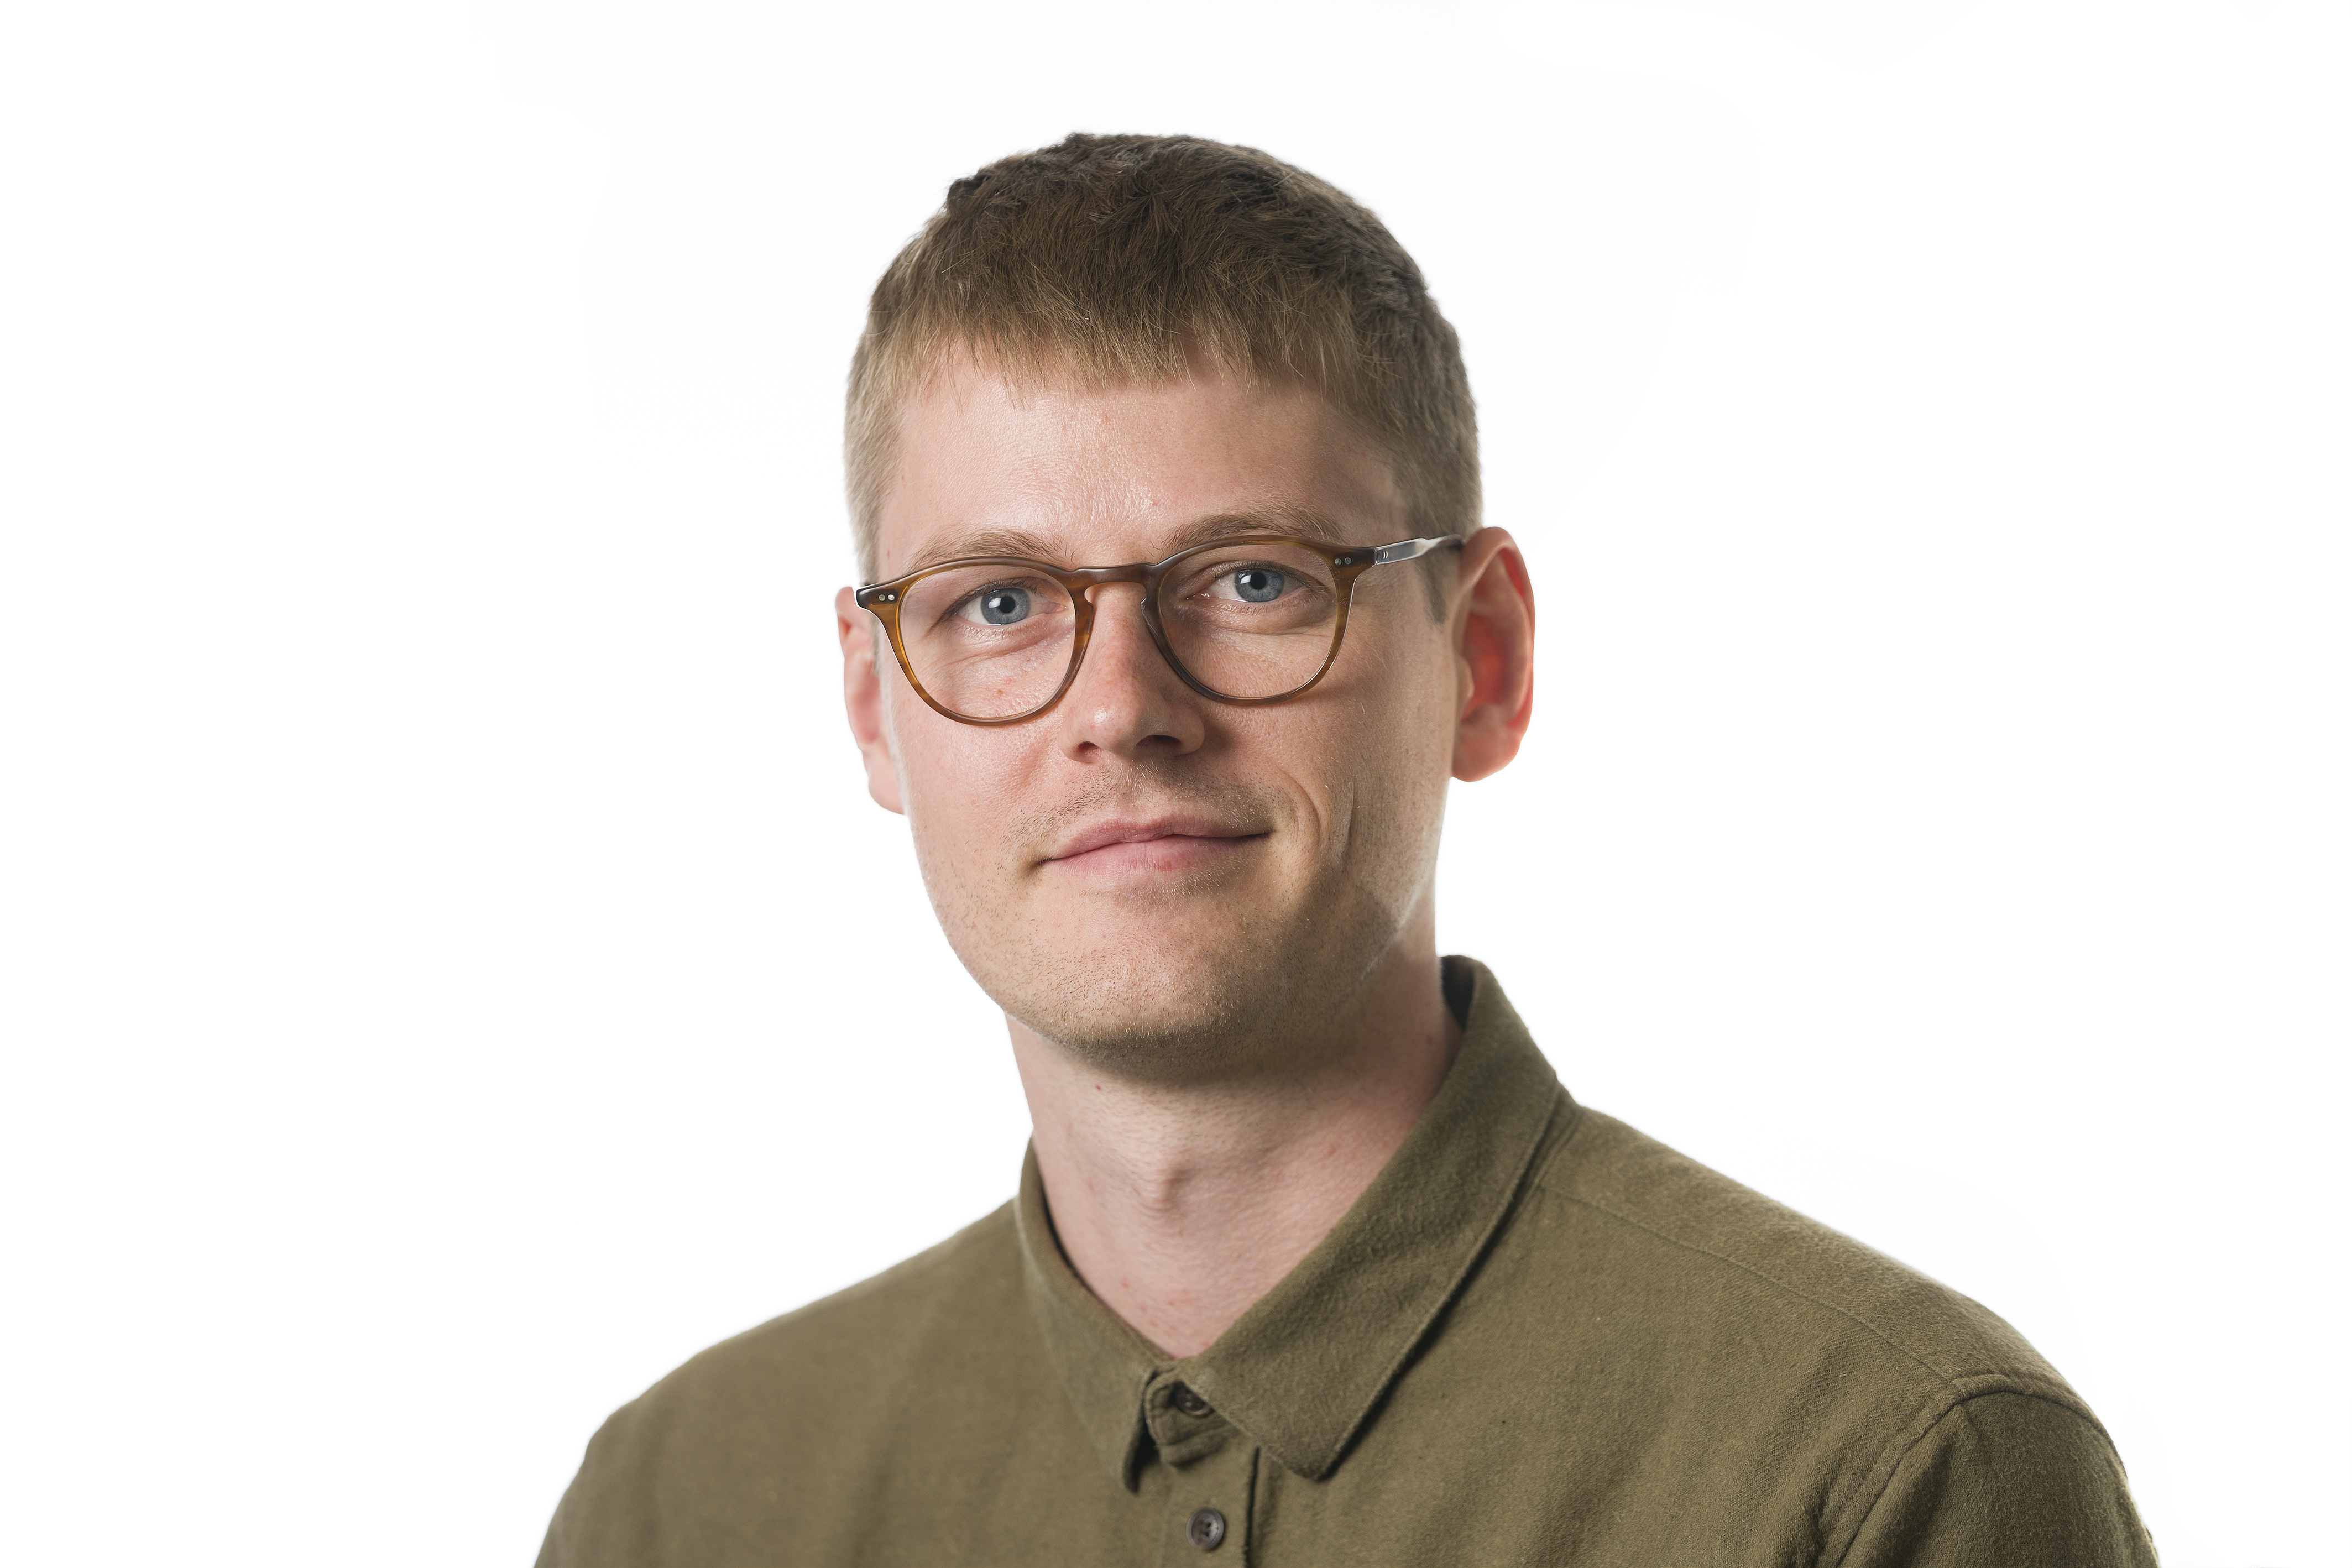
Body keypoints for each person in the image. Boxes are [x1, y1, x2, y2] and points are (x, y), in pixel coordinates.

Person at [537, 133, 2156, 1566]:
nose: (1122, 710)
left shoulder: (1885, 1473)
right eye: (1002, 602)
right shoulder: (683, 1506)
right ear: (874, 705)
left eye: (1253, 581)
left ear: (1484, 660)